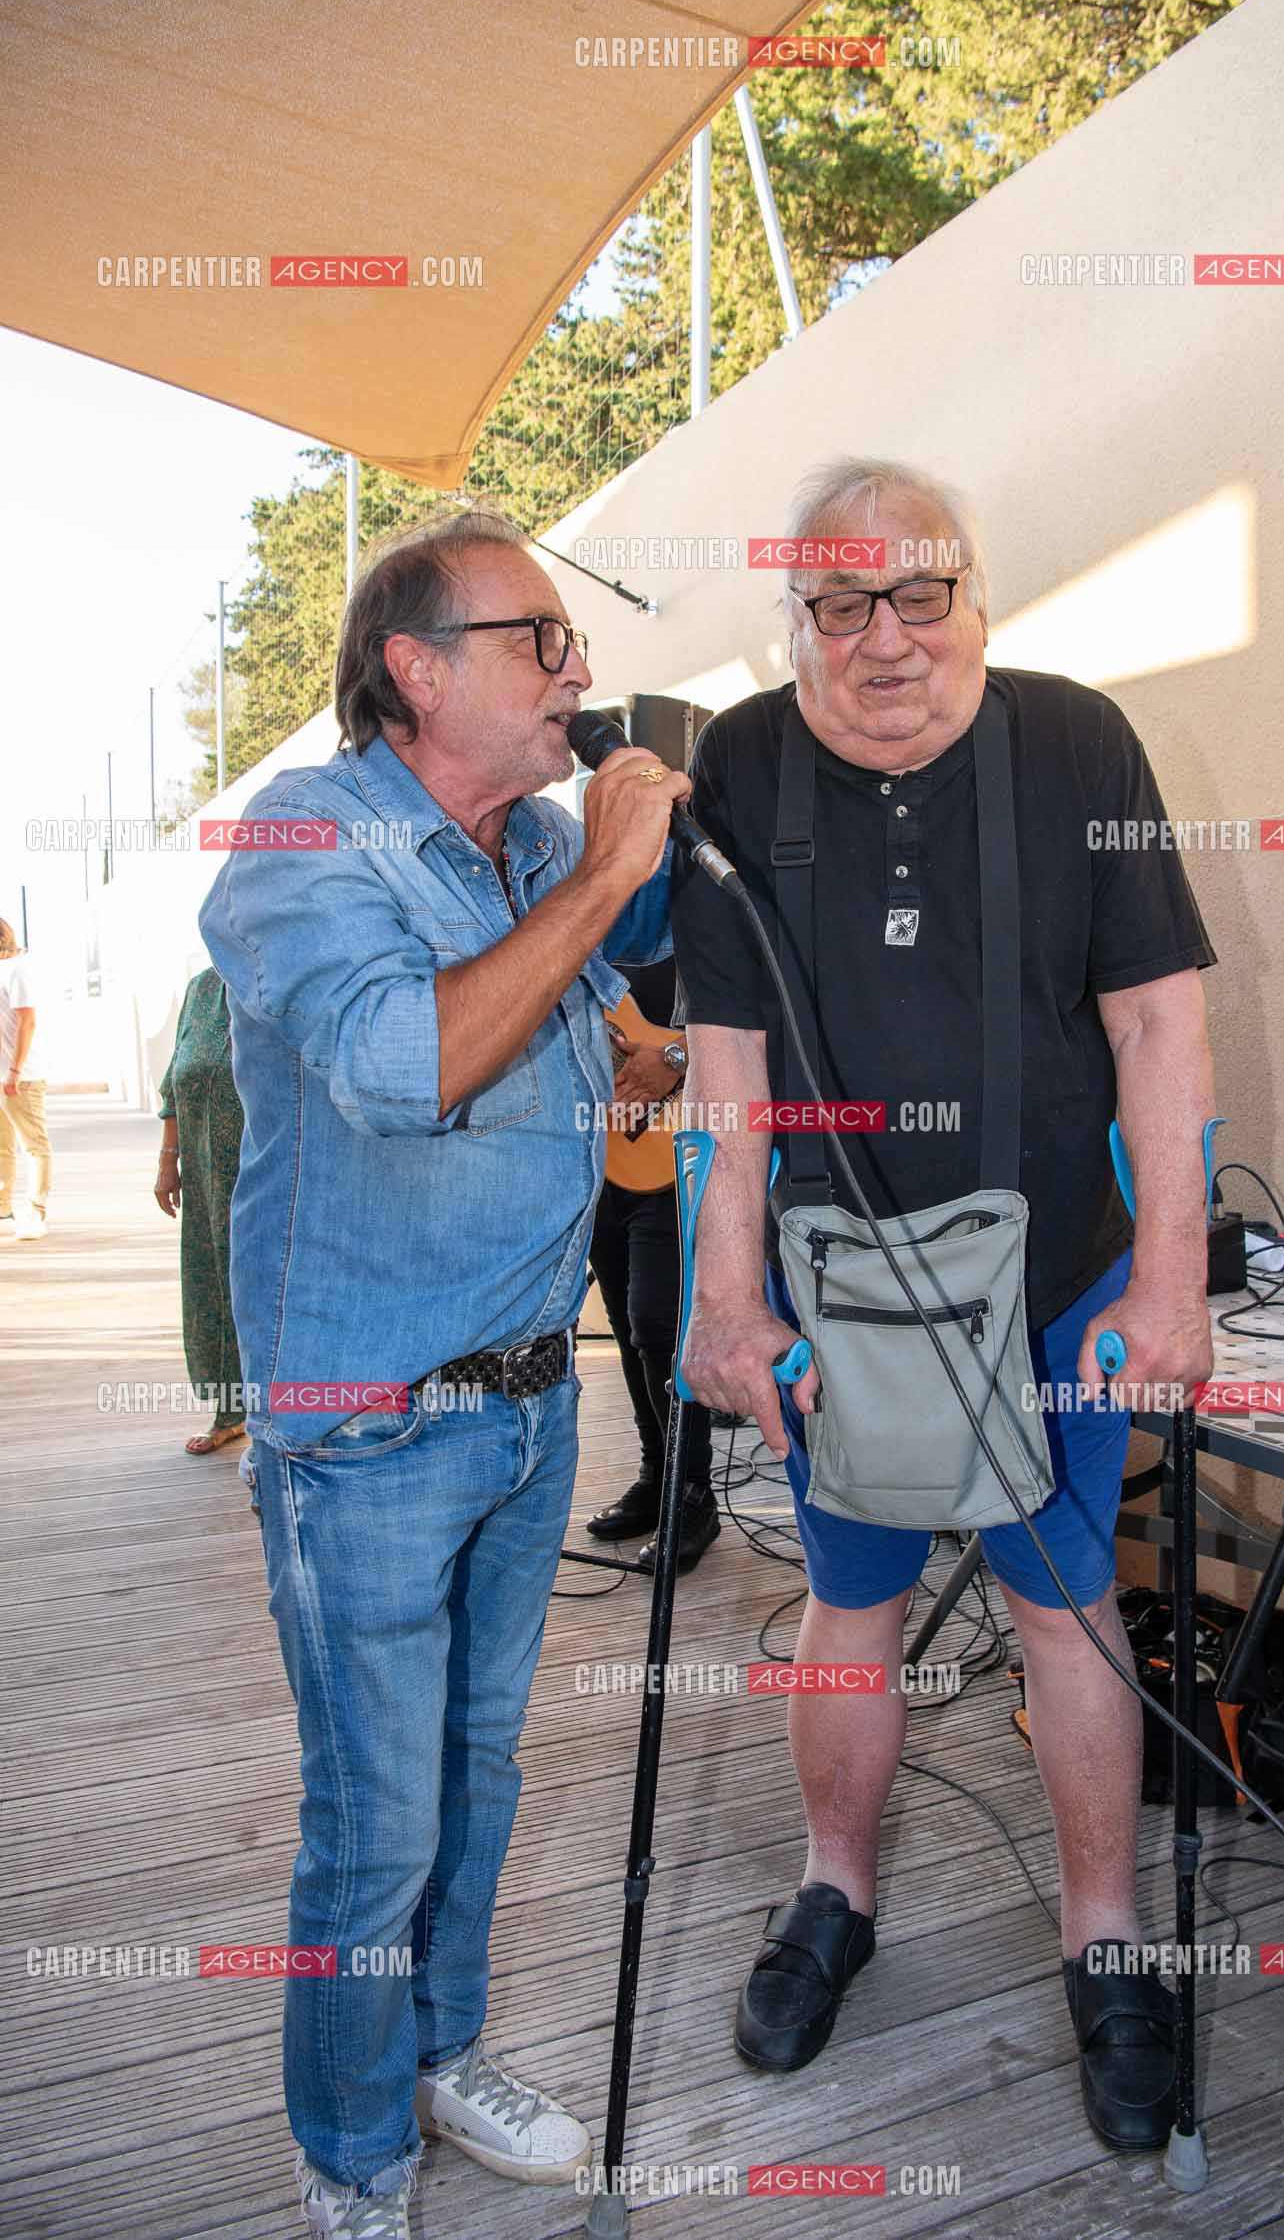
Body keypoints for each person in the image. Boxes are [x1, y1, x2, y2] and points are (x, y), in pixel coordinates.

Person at [673, 457, 1217, 2154]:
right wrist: (728, 1291)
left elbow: (1159, 1029)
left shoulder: (1078, 744)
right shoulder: (742, 764)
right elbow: (729, 1072)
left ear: (973, 593)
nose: (887, 641)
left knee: (1067, 1605)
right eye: (843, 607)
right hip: (842, 1294)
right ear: (800, 620)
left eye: (923, 595)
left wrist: (1176, 1274)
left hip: (1057, 1278)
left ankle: (1104, 1934)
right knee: (855, 1606)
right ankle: (834, 1893)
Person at [199, 503, 691, 2240]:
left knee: (481, 1774)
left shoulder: (542, 835)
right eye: (537, 638)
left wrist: (642, 1033)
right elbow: (405, 1065)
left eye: (570, 640)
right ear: (415, 669)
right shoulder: (305, 837)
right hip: (370, 1425)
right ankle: (352, 2156)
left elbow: (631, 1009)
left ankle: (438, 2048)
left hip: (532, 1404)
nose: (575, 665)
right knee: (374, 1820)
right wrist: (611, 885)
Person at [585, 955, 719, 1569]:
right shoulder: (561, 907)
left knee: (657, 1324)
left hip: (671, 1156)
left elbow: (743, 1027)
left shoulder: (690, 899)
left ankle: (691, 1496)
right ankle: (653, 1476)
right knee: (622, 1323)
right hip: (596, 1154)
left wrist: (672, 1059)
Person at [154, 963, 248, 1453]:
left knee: (258, 1288)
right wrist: (169, 1160)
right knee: (211, 1285)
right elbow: (176, 1080)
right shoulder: (201, 986)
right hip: (204, 1175)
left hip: (261, 1174)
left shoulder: (277, 977)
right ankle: (230, 1411)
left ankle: (284, 1409)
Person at [0, 917, 53, 1242]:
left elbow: (27, 1021)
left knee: (34, 1146)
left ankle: (35, 1213)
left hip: (21, 1077)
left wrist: (15, 1071)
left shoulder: (17, 969)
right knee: (1, 1147)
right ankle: (3, 1207)